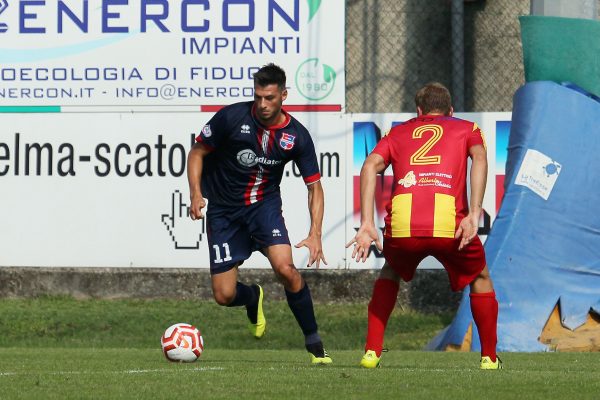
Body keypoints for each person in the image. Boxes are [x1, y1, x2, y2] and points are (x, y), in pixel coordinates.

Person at [347, 82, 500, 370]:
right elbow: (479, 157)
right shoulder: (467, 128)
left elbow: (369, 165)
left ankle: (371, 352)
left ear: (418, 111)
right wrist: (474, 212)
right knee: (480, 277)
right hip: (448, 220)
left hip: (404, 222)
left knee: (390, 271)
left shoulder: (398, 131)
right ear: (451, 111)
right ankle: (489, 358)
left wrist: (367, 222)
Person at [187, 63, 331, 364]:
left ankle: (314, 342)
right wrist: (196, 194)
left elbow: (314, 187)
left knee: (287, 270)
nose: (263, 105)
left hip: (263, 210)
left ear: (283, 96)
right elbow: (197, 153)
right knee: (224, 296)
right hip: (224, 213)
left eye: (269, 98)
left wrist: (315, 232)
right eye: (258, 97)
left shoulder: (297, 136)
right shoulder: (232, 116)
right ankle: (252, 297)